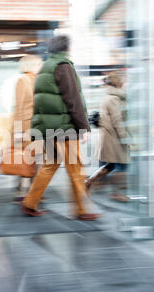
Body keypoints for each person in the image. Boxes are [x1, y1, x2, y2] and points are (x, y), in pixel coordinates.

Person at [21, 35, 101, 221]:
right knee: (76, 169)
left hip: (50, 129)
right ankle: (82, 209)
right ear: (67, 47)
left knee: (50, 165)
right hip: (64, 128)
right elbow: (73, 99)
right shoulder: (63, 66)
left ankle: (30, 202)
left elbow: (40, 103)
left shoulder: (44, 68)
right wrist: (84, 127)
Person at [85, 71, 131, 202]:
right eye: (124, 81)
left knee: (110, 166)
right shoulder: (114, 99)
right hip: (114, 137)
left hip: (109, 136)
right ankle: (117, 193)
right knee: (122, 166)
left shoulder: (110, 97)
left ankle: (90, 182)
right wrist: (125, 138)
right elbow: (118, 121)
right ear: (119, 83)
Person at [11, 54, 43, 202]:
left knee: (35, 158)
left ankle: (32, 191)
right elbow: (19, 107)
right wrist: (18, 130)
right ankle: (21, 190)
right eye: (38, 64)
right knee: (25, 158)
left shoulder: (36, 80)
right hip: (25, 127)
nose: (41, 66)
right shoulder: (23, 80)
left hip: (36, 126)